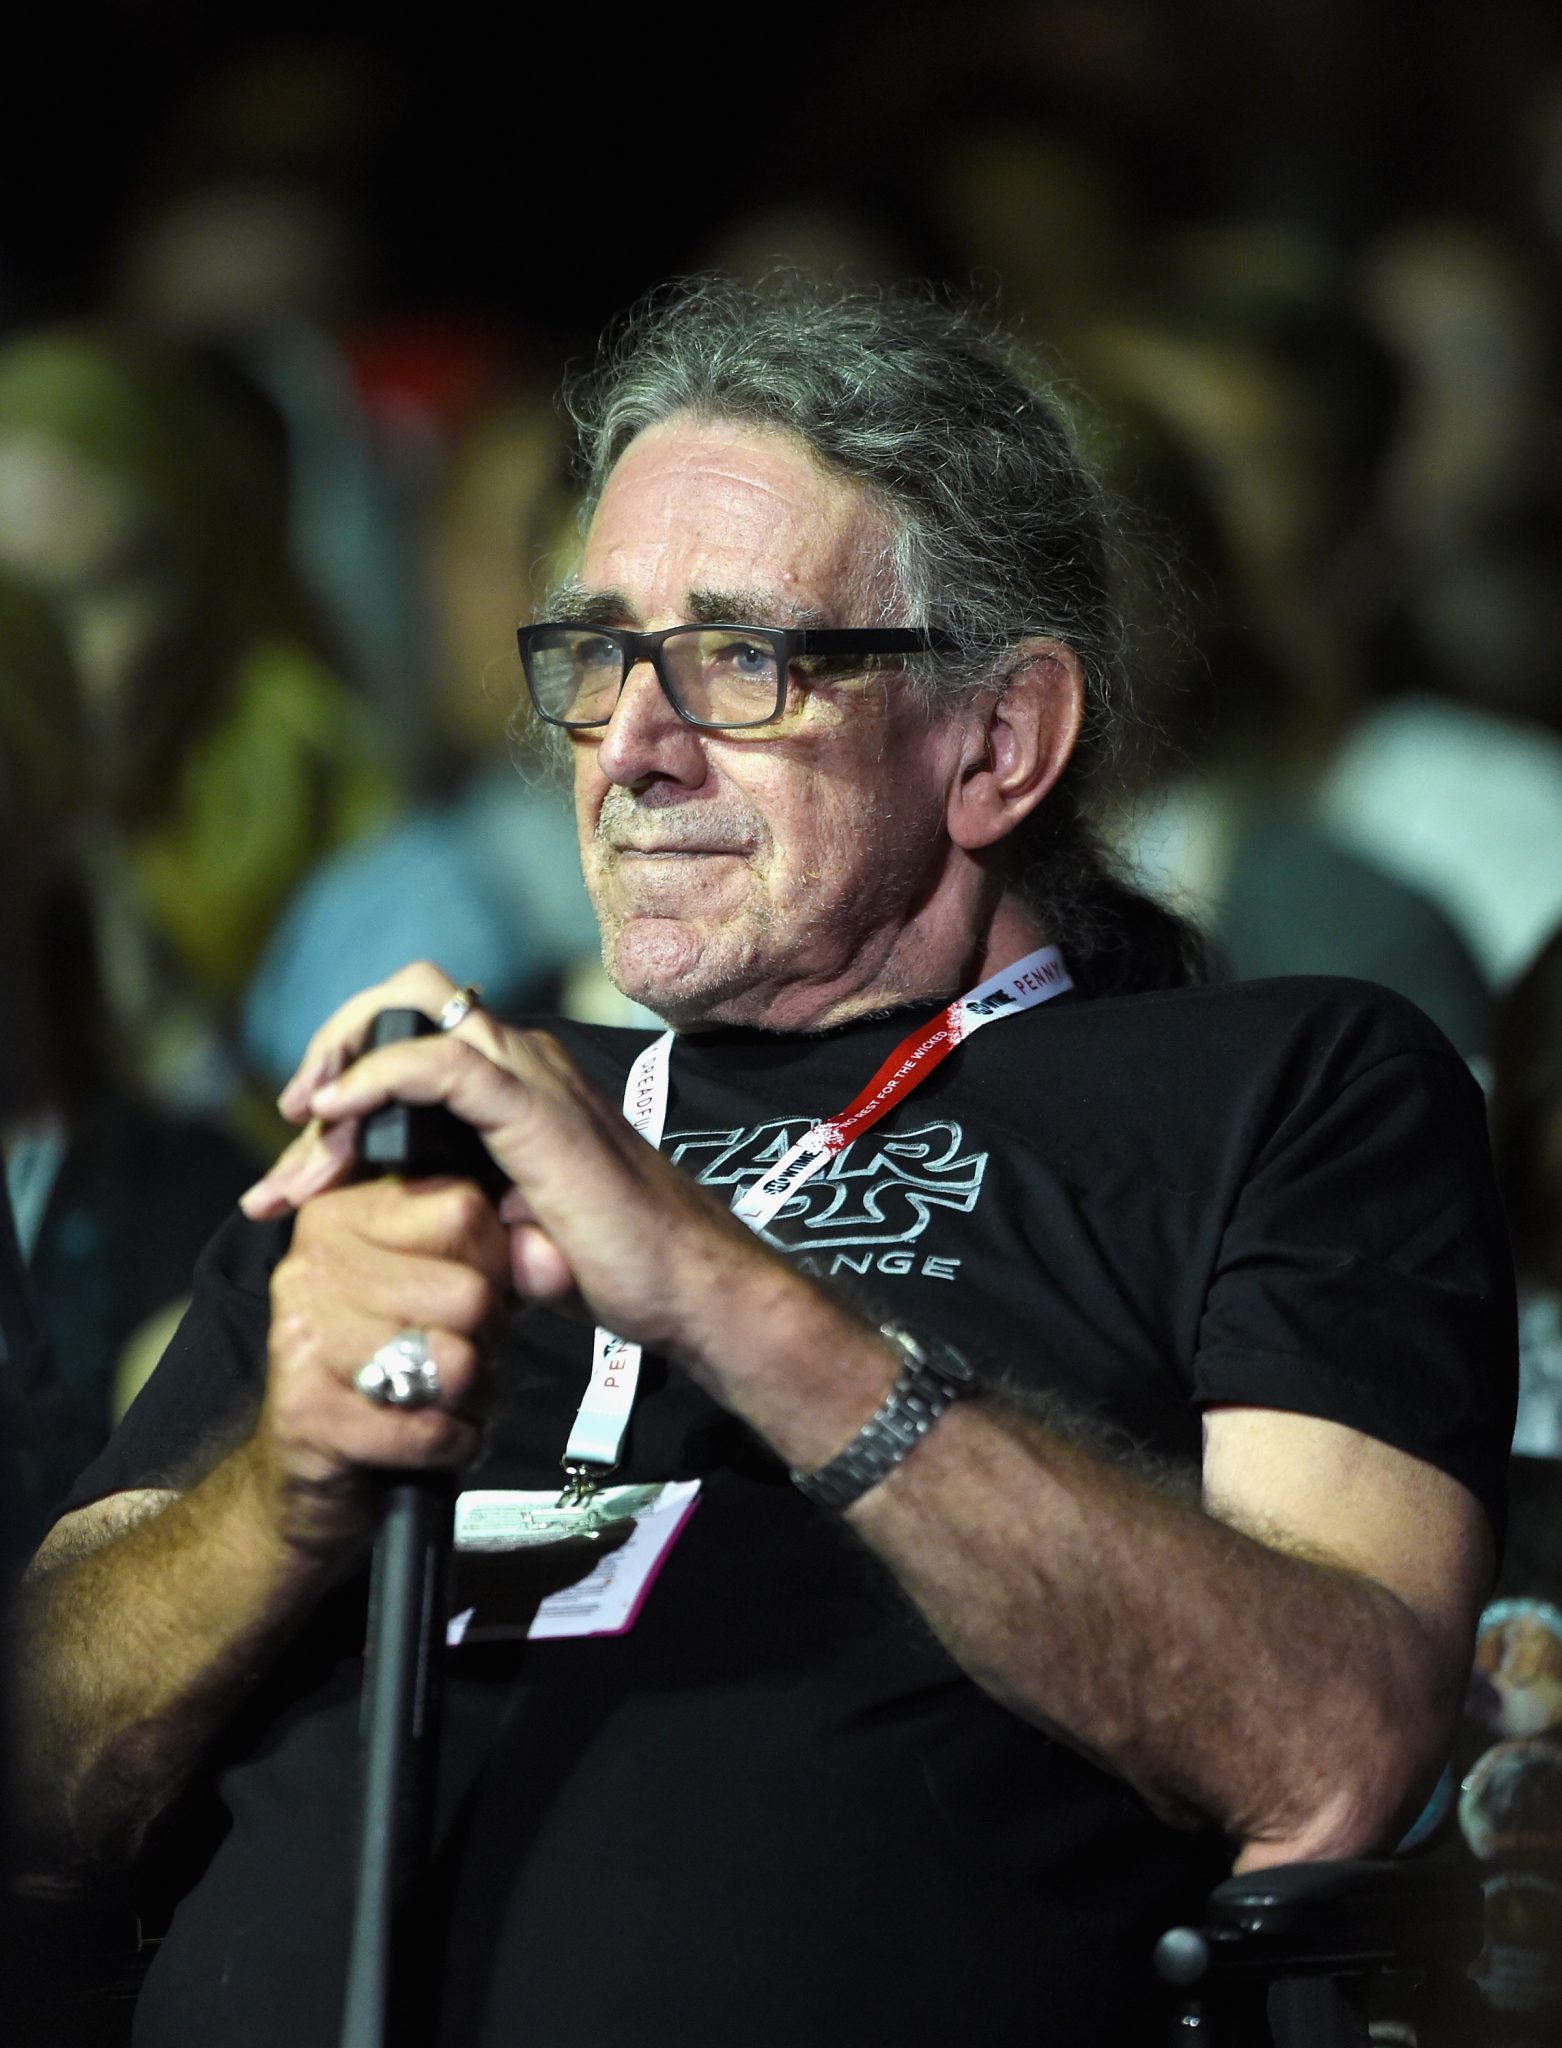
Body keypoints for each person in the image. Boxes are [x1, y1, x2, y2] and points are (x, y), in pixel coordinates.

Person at [17, 279, 1515, 2046]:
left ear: (997, 740)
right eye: (598, 658)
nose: (632, 751)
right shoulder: (443, 1122)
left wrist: (722, 1293)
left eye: (741, 663)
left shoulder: (1278, 1087)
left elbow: (1330, 1752)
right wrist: (285, 1484)